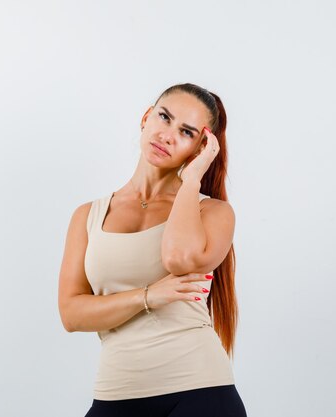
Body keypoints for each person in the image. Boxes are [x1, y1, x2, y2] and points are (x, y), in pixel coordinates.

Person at [58, 82, 247, 417]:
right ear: (146, 117)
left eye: (186, 132)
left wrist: (191, 182)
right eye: (164, 117)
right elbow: (71, 315)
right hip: (116, 392)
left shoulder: (212, 213)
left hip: (199, 390)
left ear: (200, 148)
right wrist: (148, 296)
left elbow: (178, 259)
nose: (168, 135)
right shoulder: (88, 216)